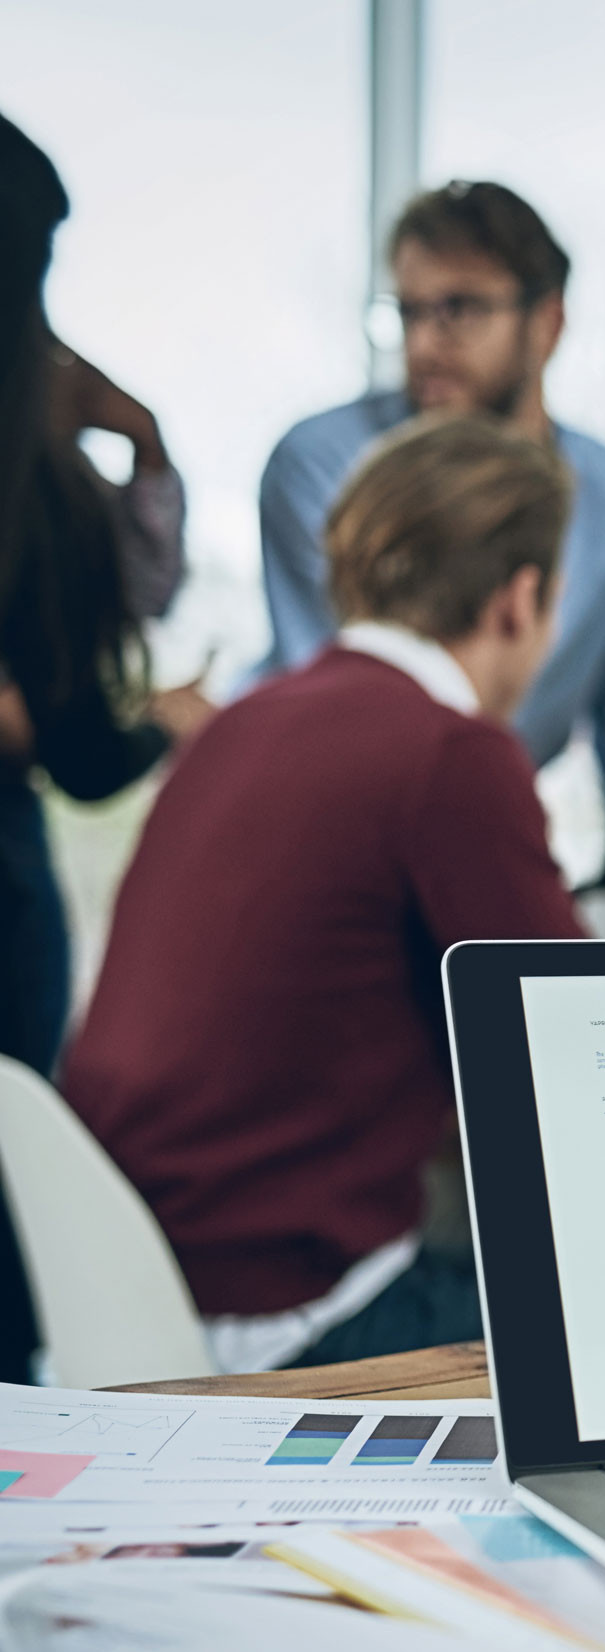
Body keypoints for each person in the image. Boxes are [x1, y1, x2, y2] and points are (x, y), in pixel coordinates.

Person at [61, 415, 586, 1371]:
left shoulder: (244, 723)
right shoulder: (450, 754)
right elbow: (588, 1049)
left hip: (118, 1294)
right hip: (280, 1324)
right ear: (520, 599)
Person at [256, 180, 605, 811]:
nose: (423, 346)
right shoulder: (328, 464)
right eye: (409, 313)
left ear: (548, 322)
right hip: (325, 807)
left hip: (483, 814)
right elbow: (352, 710)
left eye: (460, 310)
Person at [0, 116, 210, 1078]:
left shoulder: (43, 480)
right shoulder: (34, 481)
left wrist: (146, 444)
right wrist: (163, 724)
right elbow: (82, 749)